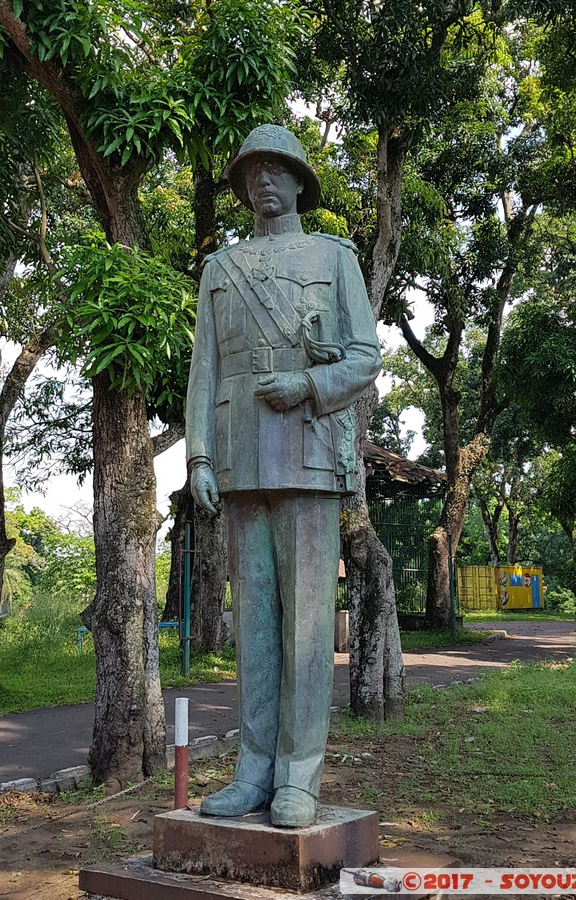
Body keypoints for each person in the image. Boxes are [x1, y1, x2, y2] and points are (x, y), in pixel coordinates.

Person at [185, 125, 381, 828]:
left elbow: (365, 357)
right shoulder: (221, 268)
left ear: (299, 181)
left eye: (276, 169)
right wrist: (198, 457)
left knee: (305, 628)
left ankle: (299, 778)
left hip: (306, 451)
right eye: (252, 172)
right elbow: (204, 370)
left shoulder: (335, 258)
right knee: (255, 630)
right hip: (240, 457)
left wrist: (307, 384)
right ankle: (252, 772)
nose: (262, 181)